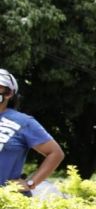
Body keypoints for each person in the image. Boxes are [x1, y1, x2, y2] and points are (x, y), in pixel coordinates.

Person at [0, 68, 65, 197]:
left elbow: (55, 153)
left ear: (9, 93)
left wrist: (30, 183)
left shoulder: (23, 122)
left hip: (6, 204)